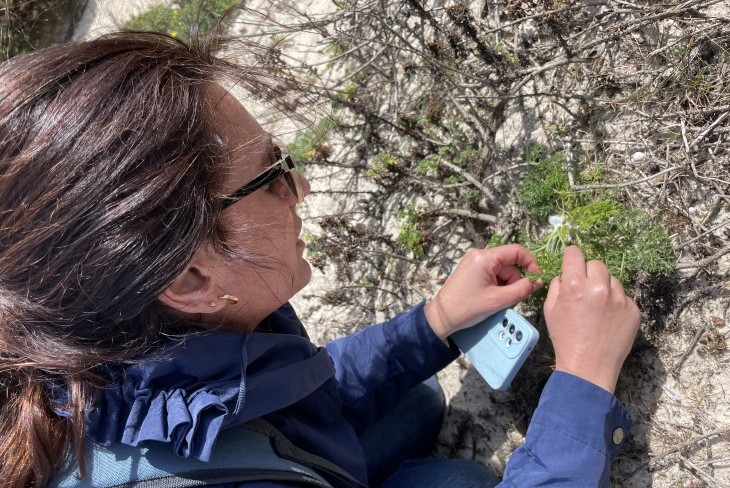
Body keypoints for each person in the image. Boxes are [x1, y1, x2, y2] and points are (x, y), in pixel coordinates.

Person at [0, 30, 640, 488]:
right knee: (457, 479)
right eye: (271, 176)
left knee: (415, 400)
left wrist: (436, 320)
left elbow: (283, 392)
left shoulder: (123, 339)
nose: (300, 187)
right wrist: (585, 378)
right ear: (191, 278)